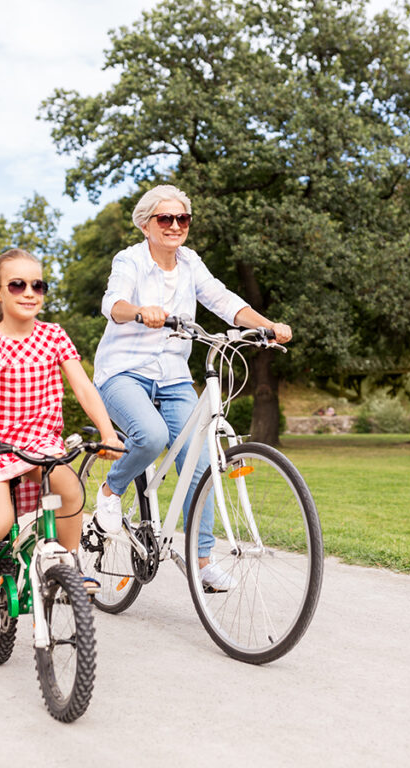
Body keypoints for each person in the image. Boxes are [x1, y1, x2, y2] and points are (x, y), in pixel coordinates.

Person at [90, 185, 292, 592]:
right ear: (146, 225)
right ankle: (111, 491)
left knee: (198, 461)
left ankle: (202, 562)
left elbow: (223, 299)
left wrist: (265, 325)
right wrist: (139, 311)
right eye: (165, 219)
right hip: (123, 372)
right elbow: (112, 303)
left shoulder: (190, 262)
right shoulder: (129, 259)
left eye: (183, 219)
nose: (175, 226)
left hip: (174, 375)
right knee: (151, 436)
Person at [0, 249, 123, 625]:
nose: (29, 292)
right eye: (17, 284)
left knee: (70, 490)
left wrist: (107, 432)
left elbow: (84, 388)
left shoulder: (53, 336)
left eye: (37, 285)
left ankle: (70, 563)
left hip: (39, 445)